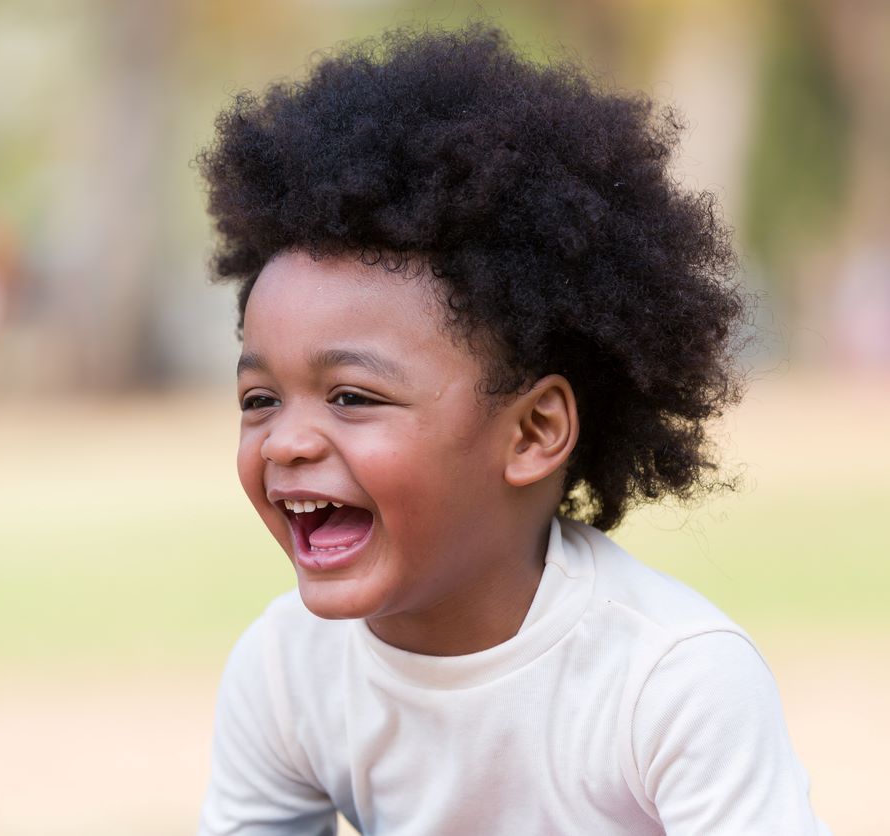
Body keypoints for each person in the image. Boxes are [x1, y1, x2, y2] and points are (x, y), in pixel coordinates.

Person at [195, 23, 828, 836]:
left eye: (351, 397)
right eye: (260, 400)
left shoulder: (673, 678)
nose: (286, 442)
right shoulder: (286, 670)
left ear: (532, 432)